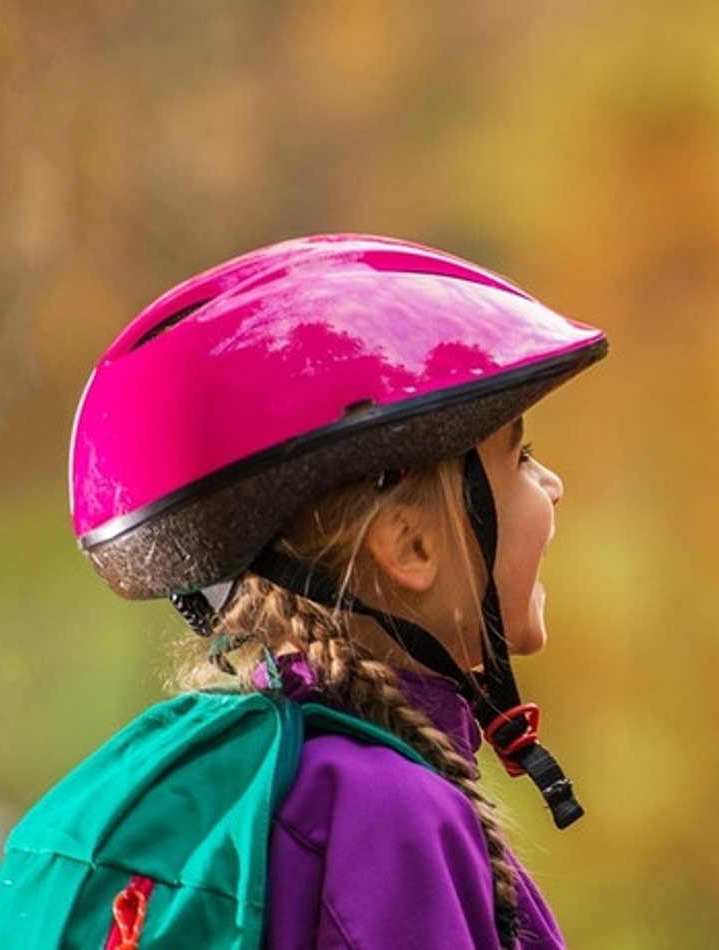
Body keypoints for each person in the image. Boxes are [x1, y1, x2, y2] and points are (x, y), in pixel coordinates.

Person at [57, 234, 602, 947]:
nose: (553, 486)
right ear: (411, 546)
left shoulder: (224, 790)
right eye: (521, 459)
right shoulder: (384, 821)